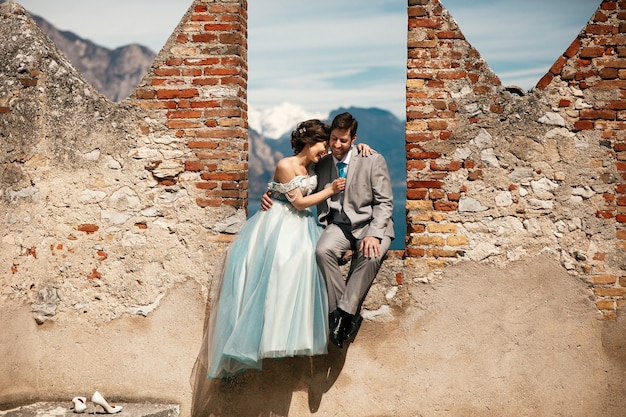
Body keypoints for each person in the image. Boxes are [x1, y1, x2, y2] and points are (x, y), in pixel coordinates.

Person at [197, 119, 373, 379]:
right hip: (280, 221)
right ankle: (272, 337)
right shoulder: (285, 164)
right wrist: (329, 190)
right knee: (283, 264)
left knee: (308, 262)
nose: (325, 150)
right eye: (322, 145)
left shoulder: (315, 164)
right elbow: (300, 203)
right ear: (308, 142)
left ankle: (295, 333)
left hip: (302, 225)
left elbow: (342, 154)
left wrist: (361, 148)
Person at [262, 112, 394, 349]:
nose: (336, 145)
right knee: (322, 251)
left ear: (354, 139)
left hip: (370, 225)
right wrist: (271, 194)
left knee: (370, 254)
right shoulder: (322, 163)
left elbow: (385, 203)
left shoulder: (372, 159)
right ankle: (343, 312)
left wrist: (374, 233)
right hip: (339, 226)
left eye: (343, 140)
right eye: (333, 139)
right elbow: (293, 183)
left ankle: (343, 315)